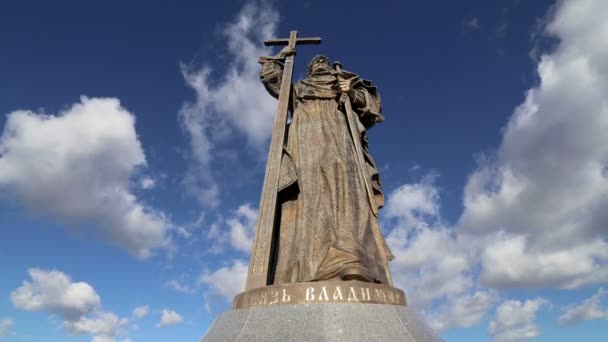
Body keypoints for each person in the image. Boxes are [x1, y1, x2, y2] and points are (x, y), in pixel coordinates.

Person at [259, 46, 393, 285]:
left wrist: (351, 91)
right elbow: (275, 82)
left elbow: (371, 108)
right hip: (306, 146)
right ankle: (302, 267)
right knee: (309, 199)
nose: (320, 62)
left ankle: (349, 257)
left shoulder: (343, 83)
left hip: (339, 141)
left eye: (323, 60)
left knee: (346, 197)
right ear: (309, 70)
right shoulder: (299, 89)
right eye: (315, 62)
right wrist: (282, 56)